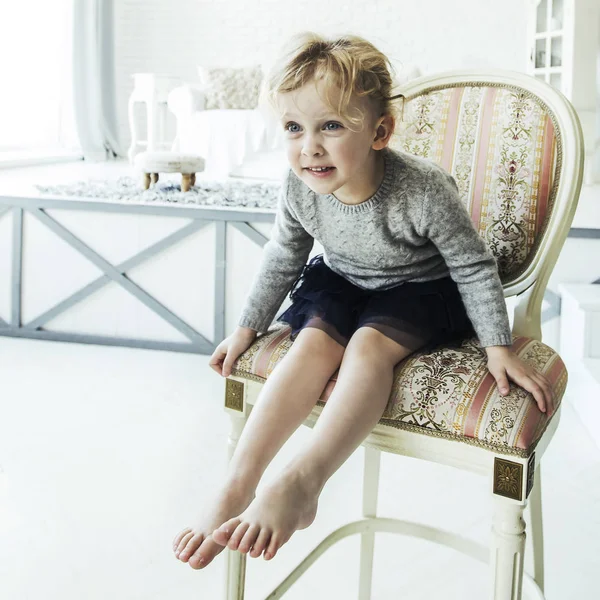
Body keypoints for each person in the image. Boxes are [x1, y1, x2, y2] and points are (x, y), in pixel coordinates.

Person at [172, 32, 554, 570]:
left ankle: (304, 478)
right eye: (293, 128)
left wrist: (498, 344)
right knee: (310, 344)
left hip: (420, 289)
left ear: (380, 131)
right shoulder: (298, 185)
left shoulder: (422, 189)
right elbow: (284, 254)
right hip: (343, 279)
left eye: (330, 125)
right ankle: (237, 481)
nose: (310, 146)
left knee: (368, 348)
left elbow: (472, 265)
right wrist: (245, 327)